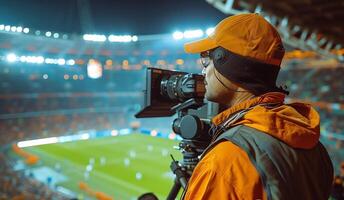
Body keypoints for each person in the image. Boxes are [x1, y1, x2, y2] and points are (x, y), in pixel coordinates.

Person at [182, 13, 333, 200]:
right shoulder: (315, 147)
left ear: (228, 63)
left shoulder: (225, 162)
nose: (203, 70)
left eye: (207, 59)